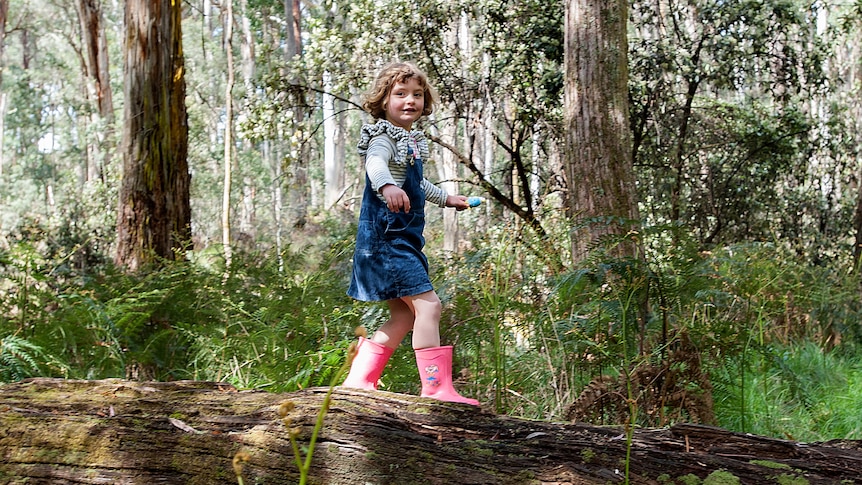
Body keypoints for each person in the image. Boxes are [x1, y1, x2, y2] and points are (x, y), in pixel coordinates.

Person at [341, 62, 479, 406]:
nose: (410, 101)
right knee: (429, 306)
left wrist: (447, 198)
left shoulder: (410, 142)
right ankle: (435, 390)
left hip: (399, 241)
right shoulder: (383, 138)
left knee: (404, 315)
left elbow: (417, 184)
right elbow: (376, 164)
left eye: (417, 94)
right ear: (383, 101)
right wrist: (386, 185)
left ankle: (359, 379)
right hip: (386, 242)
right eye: (400, 94)